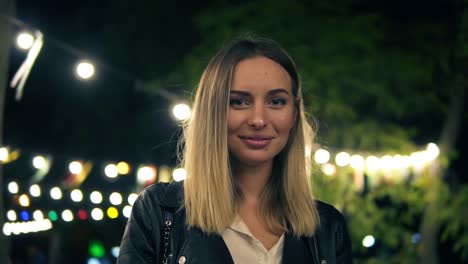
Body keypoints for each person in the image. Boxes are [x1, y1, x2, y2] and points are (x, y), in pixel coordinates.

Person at [117, 37, 353, 264]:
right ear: (213, 111)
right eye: (239, 102)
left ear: (294, 113)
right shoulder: (159, 211)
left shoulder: (328, 227)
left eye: (276, 101)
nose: (258, 120)